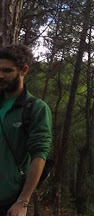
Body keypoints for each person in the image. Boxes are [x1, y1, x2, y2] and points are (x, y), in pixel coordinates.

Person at [0, 45, 52, 216]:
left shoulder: (35, 108)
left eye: (7, 70)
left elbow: (39, 156)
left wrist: (22, 202)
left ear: (24, 70)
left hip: (8, 203)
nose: (1, 75)